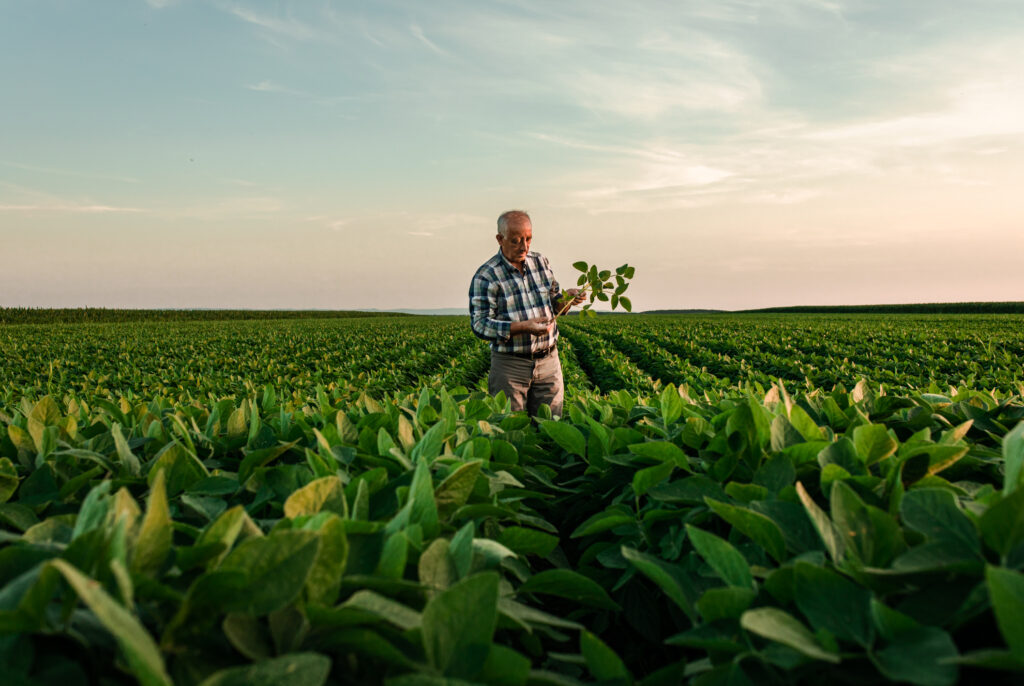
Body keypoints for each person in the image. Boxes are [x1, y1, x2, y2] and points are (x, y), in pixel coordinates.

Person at [469, 210, 585, 417]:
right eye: (515, 241)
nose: (524, 246)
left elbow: (555, 302)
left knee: (551, 426)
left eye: (528, 239)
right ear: (500, 239)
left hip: (549, 361)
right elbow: (479, 324)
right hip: (510, 366)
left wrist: (567, 299)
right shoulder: (487, 275)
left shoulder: (541, 262)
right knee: (511, 428)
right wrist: (523, 327)